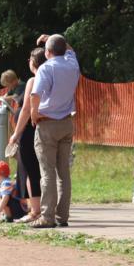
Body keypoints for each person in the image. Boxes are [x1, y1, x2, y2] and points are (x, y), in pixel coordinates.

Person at [29, 34, 80, 229]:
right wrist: (53, 38)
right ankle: (62, 216)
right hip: (67, 122)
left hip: (47, 123)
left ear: (47, 52)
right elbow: (70, 50)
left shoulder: (46, 68)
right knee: (63, 172)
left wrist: (34, 115)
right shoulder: (72, 63)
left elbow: (36, 94)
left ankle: (47, 216)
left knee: (47, 172)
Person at [7, 48, 46, 223]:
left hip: (29, 130)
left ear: (34, 61)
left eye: (30, 58)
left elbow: (26, 109)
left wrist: (16, 133)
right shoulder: (51, 78)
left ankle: (34, 209)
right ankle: (41, 207)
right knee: (43, 170)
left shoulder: (33, 80)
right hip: (43, 128)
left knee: (30, 170)